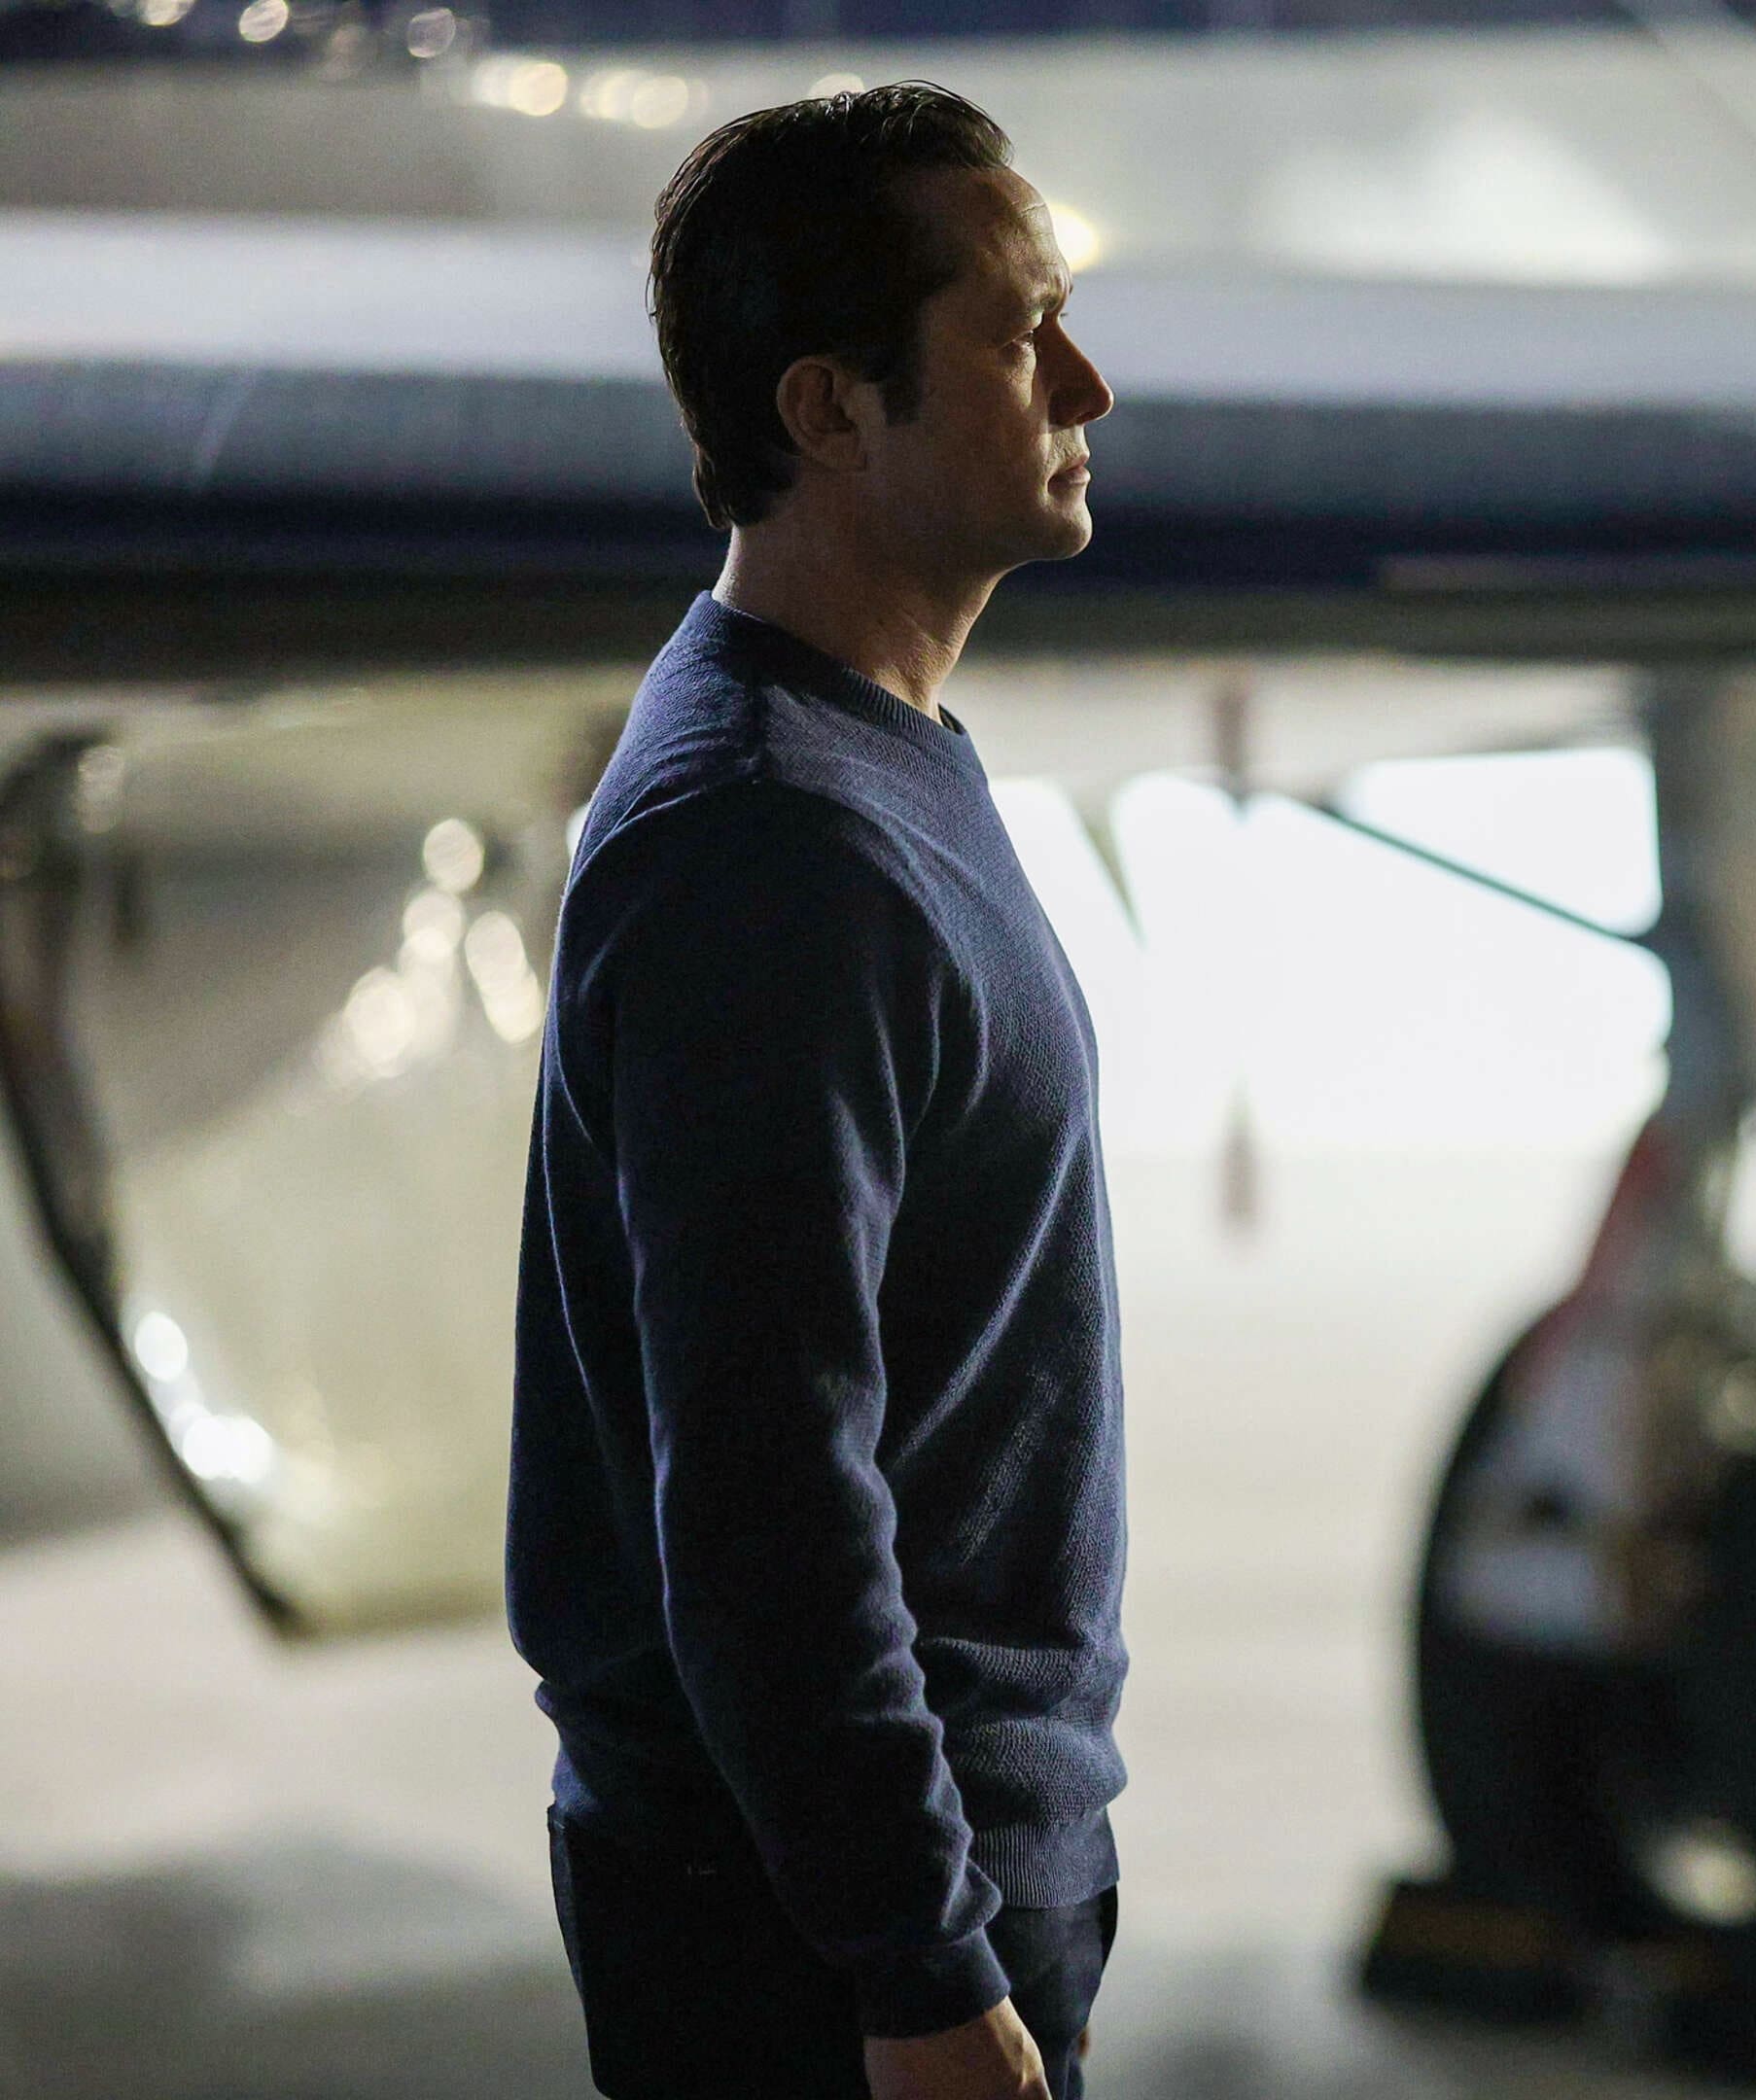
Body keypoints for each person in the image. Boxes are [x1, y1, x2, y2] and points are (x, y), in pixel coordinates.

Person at [509, 82, 1123, 2100]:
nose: (1086, 386)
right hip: (819, 1966)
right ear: (831, 411)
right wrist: (919, 1972)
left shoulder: (866, 762)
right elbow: (767, 1495)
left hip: (896, 1905)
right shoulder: (772, 845)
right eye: (1019, 333)